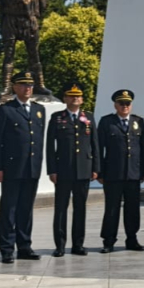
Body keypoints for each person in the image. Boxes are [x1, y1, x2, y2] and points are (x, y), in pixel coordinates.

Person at [0, 71, 46, 263]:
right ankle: (7, 248)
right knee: (9, 208)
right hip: (12, 167)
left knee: (26, 208)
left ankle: (25, 246)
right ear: (14, 87)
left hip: (32, 167)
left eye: (30, 85)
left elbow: (38, 139)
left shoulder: (39, 109)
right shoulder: (6, 110)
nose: (27, 88)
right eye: (23, 85)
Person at [47, 82, 100, 257]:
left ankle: (78, 244)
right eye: (71, 96)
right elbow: (50, 146)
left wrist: (95, 168)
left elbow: (95, 145)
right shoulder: (57, 117)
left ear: (82, 99)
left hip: (84, 169)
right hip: (63, 170)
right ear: (65, 98)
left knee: (80, 208)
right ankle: (60, 245)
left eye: (77, 96)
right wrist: (52, 170)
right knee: (60, 209)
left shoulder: (89, 117)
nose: (74, 98)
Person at [97, 89, 144, 253]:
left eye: (128, 103)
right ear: (115, 105)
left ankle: (132, 238)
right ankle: (109, 240)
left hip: (133, 173)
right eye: (122, 103)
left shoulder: (138, 121)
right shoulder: (107, 122)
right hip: (113, 173)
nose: (125, 106)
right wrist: (99, 172)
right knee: (112, 208)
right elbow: (99, 148)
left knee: (133, 208)